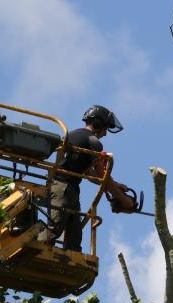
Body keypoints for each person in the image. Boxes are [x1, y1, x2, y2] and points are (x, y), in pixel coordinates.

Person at [37, 105, 135, 251]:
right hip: (62, 187)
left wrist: (117, 185)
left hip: (69, 188)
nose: (106, 134)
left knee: (75, 235)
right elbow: (103, 177)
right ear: (97, 124)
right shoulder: (93, 142)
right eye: (106, 128)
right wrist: (124, 200)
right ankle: (35, 249)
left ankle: (68, 263)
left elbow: (90, 174)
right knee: (55, 227)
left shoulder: (75, 135)